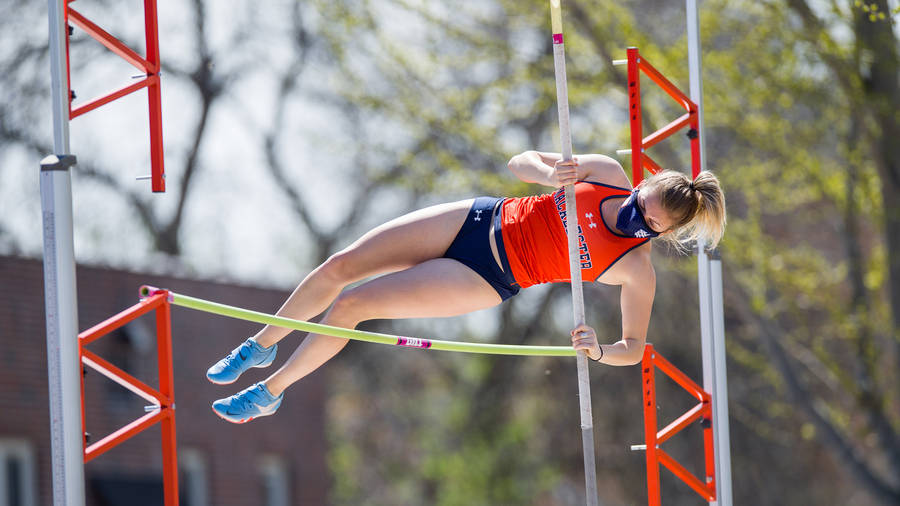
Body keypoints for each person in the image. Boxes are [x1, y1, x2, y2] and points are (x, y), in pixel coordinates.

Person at [206, 151, 726, 423]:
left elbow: (633, 349)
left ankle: (270, 393)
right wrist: (548, 173)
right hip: (479, 219)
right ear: (640, 185)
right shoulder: (606, 173)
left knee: (353, 304)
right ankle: (259, 346)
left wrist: (598, 351)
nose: (634, 218)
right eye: (638, 204)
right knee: (342, 265)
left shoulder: (635, 269)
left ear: (663, 233)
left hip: (486, 276)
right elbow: (519, 161)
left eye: (647, 224)